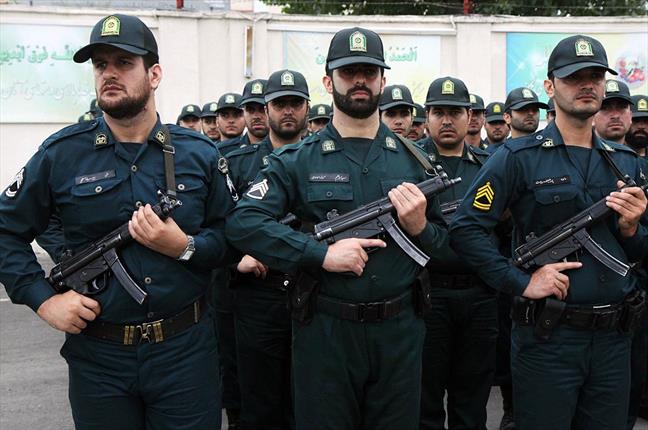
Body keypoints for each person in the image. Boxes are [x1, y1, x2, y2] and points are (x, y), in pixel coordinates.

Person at [0, 14, 236, 429]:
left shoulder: (199, 154)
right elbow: (6, 230)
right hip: (99, 360)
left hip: (185, 354)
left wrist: (184, 247)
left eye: (124, 63)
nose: (109, 74)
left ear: (154, 74)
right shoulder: (61, 154)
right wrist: (44, 300)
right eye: (100, 65)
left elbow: (232, 238)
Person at [226, 26, 446, 430]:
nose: (359, 80)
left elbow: (448, 243)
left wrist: (420, 229)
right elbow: (244, 222)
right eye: (348, 72)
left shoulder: (416, 160)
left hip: (400, 331)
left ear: (382, 80)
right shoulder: (298, 160)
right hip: (325, 331)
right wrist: (320, 254)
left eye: (369, 71)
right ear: (329, 82)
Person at [450, 34, 648, 430]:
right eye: (574, 77)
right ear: (549, 86)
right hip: (549, 338)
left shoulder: (626, 162)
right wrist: (521, 282)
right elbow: (466, 228)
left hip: (614, 340)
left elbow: (640, 249)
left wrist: (630, 230)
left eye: (595, 77)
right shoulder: (517, 157)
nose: (587, 85)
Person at [227, 69, 310, 430]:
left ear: (307, 108)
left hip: (312, 291)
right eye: (279, 104)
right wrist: (237, 258)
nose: (287, 111)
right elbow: (218, 225)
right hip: (259, 296)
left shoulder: (322, 160)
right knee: (260, 403)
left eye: (295, 103)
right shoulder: (238, 163)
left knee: (308, 400)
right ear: (266, 109)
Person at [416, 77, 496, 430]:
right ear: (427, 116)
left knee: (472, 399)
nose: (447, 120)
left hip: (480, 294)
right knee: (426, 399)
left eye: (455, 112)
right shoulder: (410, 162)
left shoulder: (490, 164)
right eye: (438, 112)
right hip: (428, 294)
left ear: (470, 117)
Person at [593, 79, 633, 145]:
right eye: (605, 108)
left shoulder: (636, 152)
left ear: (630, 116)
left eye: (622, 107)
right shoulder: (578, 150)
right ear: (592, 117)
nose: (615, 116)